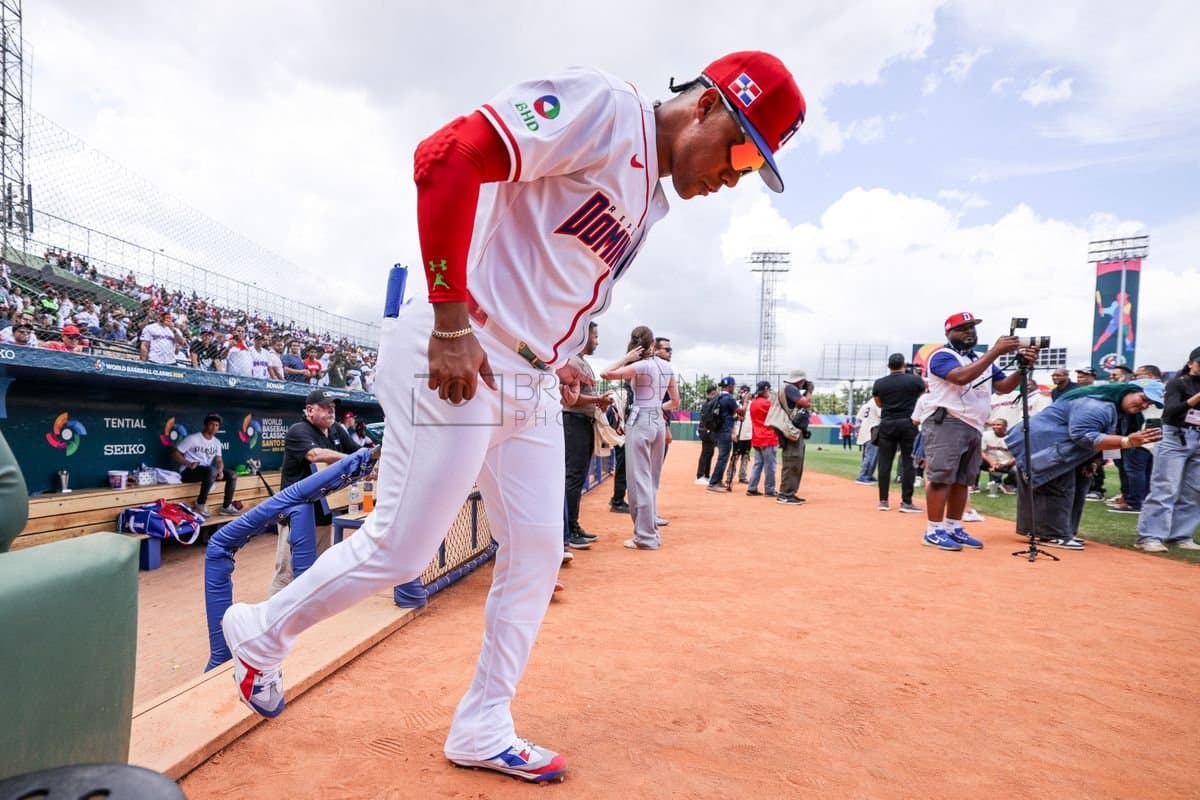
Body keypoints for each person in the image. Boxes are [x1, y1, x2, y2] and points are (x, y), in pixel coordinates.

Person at [219, 50, 806, 783]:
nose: (734, 175)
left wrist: (556, 355)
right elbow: (447, 156)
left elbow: (545, 271)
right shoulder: (604, 110)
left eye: (751, 169)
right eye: (743, 149)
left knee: (535, 551)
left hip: (522, 374)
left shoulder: (647, 195)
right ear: (708, 104)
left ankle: (483, 722)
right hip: (459, 349)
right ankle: (262, 632)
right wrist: (450, 319)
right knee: (402, 547)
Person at [919, 312, 1036, 551]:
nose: (969, 331)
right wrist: (995, 352)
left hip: (973, 424)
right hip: (947, 421)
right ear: (948, 333)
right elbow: (960, 378)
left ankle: (953, 527)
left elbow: (1003, 387)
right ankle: (933, 530)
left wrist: (1021, 368)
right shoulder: (942, 355)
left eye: (972, 327)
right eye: (962, 328)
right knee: (942, 477)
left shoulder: (981, 359)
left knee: (963, 481)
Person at [1008, 381, 1162, 550]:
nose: (1144, 405)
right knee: (1056, 485)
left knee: (1081, 482)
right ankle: (1052, 535)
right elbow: (1082, 435)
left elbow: (1108, 440)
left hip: (1064, 449)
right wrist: (1127, 441)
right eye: (1143, 398)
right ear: (1127, 391)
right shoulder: (1096, 406)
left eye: (1149, 403)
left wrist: (1094, 461)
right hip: (1044, 445)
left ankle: (1063, 532)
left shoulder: (1120, 412)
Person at [269, 389, 359, 595]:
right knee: (287, 573)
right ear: (310, 410)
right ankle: (273, 621)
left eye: (333, 408)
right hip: (295, 513)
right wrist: (350, 460)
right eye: (325, 407)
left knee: (319, 569)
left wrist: (370, 459)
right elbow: (315, 455)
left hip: (323, 510)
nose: (331, 411)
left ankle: (306, 617)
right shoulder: (298, 430)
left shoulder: (336, 429)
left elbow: (356, 450)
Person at [601, 326, 679, 550]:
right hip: (658, 421)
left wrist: (626, 358)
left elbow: (606, 373)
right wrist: (656, 409)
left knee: (639, 480)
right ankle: (650, 531)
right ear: (653, 342)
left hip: (640, 420)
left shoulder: (639, 365)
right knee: (652, 480)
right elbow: (675, 402)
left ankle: (645, 537)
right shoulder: (667, 367)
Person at [1134, 347, 1200, 552]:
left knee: (1195, 490)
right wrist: (1196, 398)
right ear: (1190, 363)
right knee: (1165, 486)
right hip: (1176, 435)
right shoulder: (1177, 383)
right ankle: (1150, 536)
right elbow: (1169, 412)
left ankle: (1180, 534)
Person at [562, 323, 612, 550]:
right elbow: (570, 399)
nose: (597, 341)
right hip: (574, 422)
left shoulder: (581, 361)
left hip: (583, 422)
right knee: (573, 477)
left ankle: (573, 525)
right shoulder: (572, 360)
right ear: (582, 336)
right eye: (595, 336)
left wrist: (597, 401)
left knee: (578, 476)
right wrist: (597, 400)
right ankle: (568, 530)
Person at [873, 354, 925, 512]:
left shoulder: (880, 382)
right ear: (903, 364)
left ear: (889, 366)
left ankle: (883, 501)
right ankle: (906, 502)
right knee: (908, 462)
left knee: (884, 463)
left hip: (888, 422)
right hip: (908, 422)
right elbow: (922, 399)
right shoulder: (915, 380)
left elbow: (878, 403)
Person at [172, 413, 239, 517]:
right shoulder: (193, 438)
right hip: (189, 472)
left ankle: (226, 507)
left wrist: (220, 470)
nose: (214, 427)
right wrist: (188, 463)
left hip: (207, 473)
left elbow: (219, 460)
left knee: (232, 474)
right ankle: (200, 503)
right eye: (211, 424)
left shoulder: (216, 442)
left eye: (217, 425)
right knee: (211, 471)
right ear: (205, 425)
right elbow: (175, 453)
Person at [771, 369, 812, 505]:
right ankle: (785, 494)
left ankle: (790, 492)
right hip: (791, 429)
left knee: (795, 461)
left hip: (790, 428)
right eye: (804, 382)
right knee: (792, 460)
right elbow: (806, 403)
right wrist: (810, 391)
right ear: (800, 380)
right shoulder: (790, 388)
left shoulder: (787, 388)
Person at [707, 376, 741, 493]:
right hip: (725, 431)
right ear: (730, 386)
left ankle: (718, 481)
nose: (734, 388)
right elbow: (741, 412)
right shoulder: (729, 399)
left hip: (717, 431)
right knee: (723, 457)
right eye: (733, 386)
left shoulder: (718, 397)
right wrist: (746, 402)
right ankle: (713, 483)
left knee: (722, 456)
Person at [745, 381, 777, 497]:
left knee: (758, 464)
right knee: (770, 466)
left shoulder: (753, 403)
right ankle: (769, 490)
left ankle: (752, 487)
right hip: (768, 438)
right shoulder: (767, 404)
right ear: (765, 390)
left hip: (757, 437)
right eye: (768, 390)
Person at [727, 385, 754, 484]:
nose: (743, 394)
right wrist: (733, 433)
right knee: (735, 456)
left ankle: (742, 476)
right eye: (742, 392)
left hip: (749, 435)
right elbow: (733, 420)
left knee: (746, 456)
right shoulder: (736, 404)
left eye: (745, 392)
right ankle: (729, 476)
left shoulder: (752, 404)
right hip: (738, 433)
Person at [694, 385, 720, 485]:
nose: (716, 395)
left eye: (716, 393)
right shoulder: (707, 404)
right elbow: (706, 419)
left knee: (710, 453)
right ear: (710, 394)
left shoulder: (712, 403)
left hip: (711, 431)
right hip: (705, 431)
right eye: (714, 393)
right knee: (705, 453)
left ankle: (706, 475)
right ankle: (700, 476)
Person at [854, 396, 879, 485]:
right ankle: (863, 476)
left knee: (867, 455)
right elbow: (882, 415)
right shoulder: (877, 403)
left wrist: (857, 431)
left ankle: (868, 475)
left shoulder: (867, 404)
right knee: (871, 455)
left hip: (864, 431)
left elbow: (858, 419)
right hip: (872, 431)